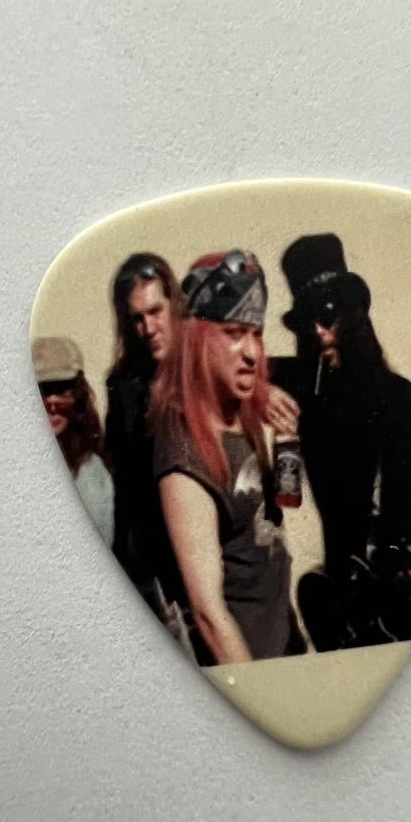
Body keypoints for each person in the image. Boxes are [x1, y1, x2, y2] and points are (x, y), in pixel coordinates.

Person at [273, 233, 411, 649]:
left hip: (400, 605)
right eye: (308, 322)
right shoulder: (309, 400)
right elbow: (288, 497)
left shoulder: (402, 401)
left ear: (353, 315)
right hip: (339, 606)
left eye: (328, 317)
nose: (319, 333)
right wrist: (283, 431)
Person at [150, 250, 302, 665]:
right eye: (234, 333)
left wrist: (286, 438)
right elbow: (208, 613)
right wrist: (254, 690)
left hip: (283, 639)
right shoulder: (184, 455)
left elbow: (285, 502)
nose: (252, 352)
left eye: (256, 333)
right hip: (246, 662)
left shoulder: (242, 408)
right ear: (197, 339)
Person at [105, 253, 186, 613]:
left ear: (174, 305)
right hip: (157, 565)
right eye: (137, 318)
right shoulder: (122, 386)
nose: (149, 328)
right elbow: (125, 490)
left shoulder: (203, 367)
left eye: (155, 312)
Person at [32, 336, 114, 546]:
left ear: (78, 396)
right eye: (42, 391)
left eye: (61, 389)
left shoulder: (89, 473)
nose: (52, 404)